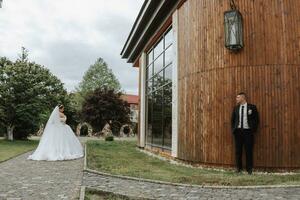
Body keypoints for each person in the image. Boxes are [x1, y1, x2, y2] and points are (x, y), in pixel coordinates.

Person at [231, 92, 259, 174]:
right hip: (238, 132)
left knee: (248, 151)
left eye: (238, 97)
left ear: (243, 98)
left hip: (248, 132)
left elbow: (256, 120)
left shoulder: (252, 107)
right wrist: (234, 129)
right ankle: (238, 168)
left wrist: (253, 129)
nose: (236, 99)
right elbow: (232, 120)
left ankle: (249, 169)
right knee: (238, 151)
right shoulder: (236, 108)